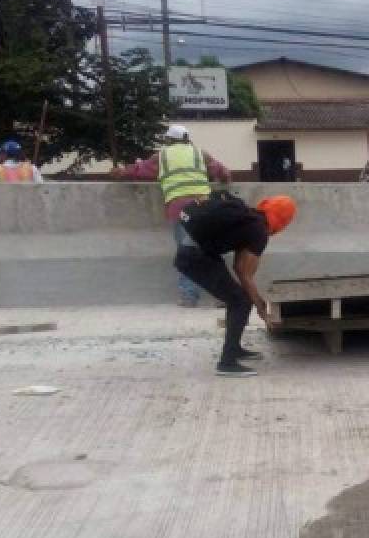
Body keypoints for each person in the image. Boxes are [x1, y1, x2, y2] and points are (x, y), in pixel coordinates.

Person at [175, 193, 297, 377]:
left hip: (194, 253)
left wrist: (255, 300)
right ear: (283, 222)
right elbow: (243, 272)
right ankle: (227, 363)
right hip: (195, 258)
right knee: (240, 301)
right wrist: (261, 307)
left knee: (240, 298)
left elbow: (239, 268)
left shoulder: (249, 217)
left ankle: (235, 349)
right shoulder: (259, 230)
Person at [110, 125, 231, 306]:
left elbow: (138, 170)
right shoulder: (200, 154)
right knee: (210, 250)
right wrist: (224, 179)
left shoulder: (162, 156)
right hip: (206, 207)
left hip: (180, 209)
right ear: (187, 138)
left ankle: (189, 297)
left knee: (187, 253)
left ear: (169, 140)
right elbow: (224, 173)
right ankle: (224, 296)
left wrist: (119, 171)